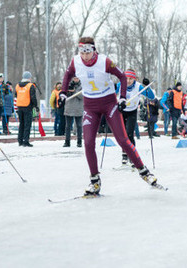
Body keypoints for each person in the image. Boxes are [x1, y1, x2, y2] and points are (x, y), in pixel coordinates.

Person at [61, 37, 160, 196]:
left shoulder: (104, 61)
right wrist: (62, 93)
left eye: (88, 52)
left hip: (109, 104)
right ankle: (95, 181)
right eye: (82, 52)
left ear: (93, 50)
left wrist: (121, 97)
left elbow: (121, 76)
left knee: (122, 139)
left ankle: (144, 172)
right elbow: (67, 76)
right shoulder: (75, 62)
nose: (85, 56)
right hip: (90, 106)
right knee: (87, 143)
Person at [116, 69, 154, 164]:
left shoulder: (138, 87)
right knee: (122, 135)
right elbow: (110, 94)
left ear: (134, 79)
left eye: (130, 79)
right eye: (126, 78)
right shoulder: (120, 85)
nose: (128, 81)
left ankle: (132, 156)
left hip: (132, 112)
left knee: (129, 134)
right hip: (122, 111)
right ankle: (124, 154)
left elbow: (152, 96)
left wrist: (147, 87)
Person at [15, 71, 38, 147]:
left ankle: (20, 140)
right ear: (29, 78)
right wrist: (36, 106)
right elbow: (33, 97)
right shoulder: (30, 86)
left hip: (19, 106)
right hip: (27, 106)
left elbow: (16, 95)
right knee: (27, 124)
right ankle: (26, 141)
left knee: (22, 124)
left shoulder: (18, 86)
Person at [63, 76, 83, 147]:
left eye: (77, 78)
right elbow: (63, 94)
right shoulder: (68, 85)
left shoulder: (82, 86)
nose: (76, 79)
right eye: (74, 78)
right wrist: (68, 91)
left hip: (78, 108)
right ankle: (67, 141)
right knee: (68, 126)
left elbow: (82, 96)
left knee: (79, 126)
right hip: (69, 107)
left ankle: (79, 141)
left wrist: (74, 91)